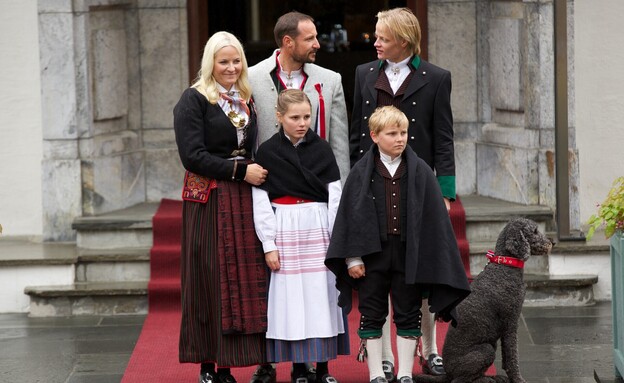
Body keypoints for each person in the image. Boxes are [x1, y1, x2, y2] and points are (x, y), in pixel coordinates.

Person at [349, 7, 457, 378]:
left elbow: (443, 138)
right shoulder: (365, 74)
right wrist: (355, 188)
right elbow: (356, 137)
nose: (374, 42)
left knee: (419, 271)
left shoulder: (437, 78)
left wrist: (445, 192)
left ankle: (429, 349)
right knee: (380, 270)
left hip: (419, 188)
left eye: (382, 37)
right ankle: (383, 358)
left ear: (404, 42)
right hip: (374, 186)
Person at [326, 106, 470, 383]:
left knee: (408, 313)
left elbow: (433, 221)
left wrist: (429, 260)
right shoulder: (360, 172)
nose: (400, 138)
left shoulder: (421, 171)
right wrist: (352, 258)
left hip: (409, 255)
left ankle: (405, 373)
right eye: (392, 133)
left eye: (403, 132)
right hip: (372, 256)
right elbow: (350, 215)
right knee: (371, 314)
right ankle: (376, 373)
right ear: (374, 136)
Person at [173, 31, 269, 383]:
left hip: (243, 197)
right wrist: (240, 170)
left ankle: (247, 359)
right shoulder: (194, 99)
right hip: (209, 198)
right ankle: (210, 365)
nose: (231, 67)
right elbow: (192, 156)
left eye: (236, 60)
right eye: (223, 61)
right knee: (211, 279)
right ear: (210, 63)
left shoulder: (246, 98)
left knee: (244, 278)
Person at [252, 89, 347, 383]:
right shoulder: (267, 152)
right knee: (291, 299)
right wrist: (268, 244)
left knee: (321, 295)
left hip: (317, 228)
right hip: (285, 228)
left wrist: (337, 239)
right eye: (295, 117)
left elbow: (334, 196)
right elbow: (261, 202)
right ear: (279, 117)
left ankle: (323, 368)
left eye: (307, 116)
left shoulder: (322, 150)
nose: (302, 122)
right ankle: (297, 367)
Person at [248, 11, 350, 184]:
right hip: (268, 185)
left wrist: (342, 192)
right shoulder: (251, 77)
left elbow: (339, 145)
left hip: (317, 185)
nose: (317, 44)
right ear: (288, 42)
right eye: (309, 39)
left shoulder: (331, 80)